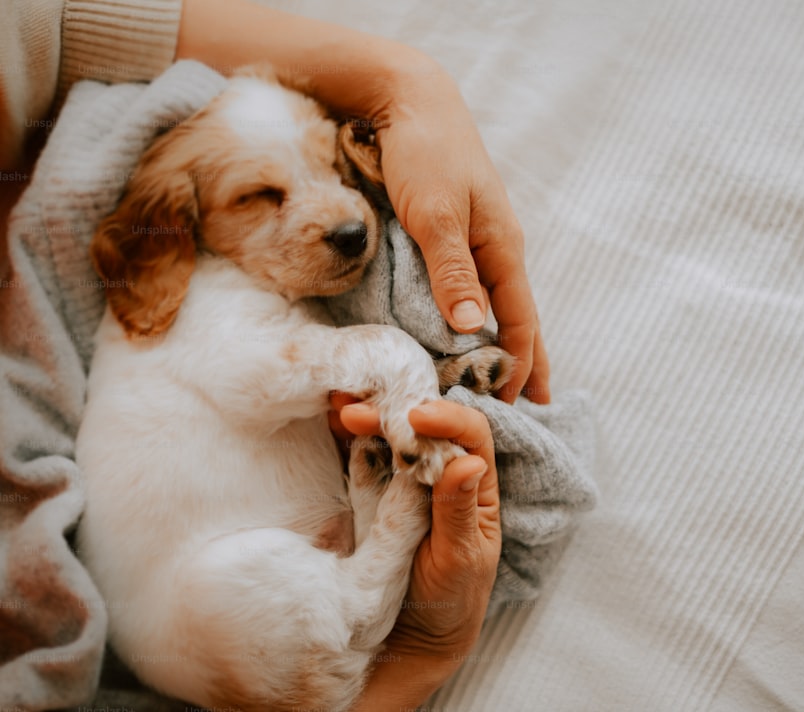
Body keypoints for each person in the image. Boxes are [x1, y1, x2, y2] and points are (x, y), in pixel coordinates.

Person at [1, 0, 548, 706]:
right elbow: (265, 375)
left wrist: (408, 85)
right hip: (219, 612)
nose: (348, 217)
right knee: (246, 572)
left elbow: (59, 17)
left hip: (286, 577)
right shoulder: (187, 295)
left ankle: (380, 548)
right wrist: (426, 648)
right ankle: (379, 564)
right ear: (176, 224)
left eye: (332, 168)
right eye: (262, 195)